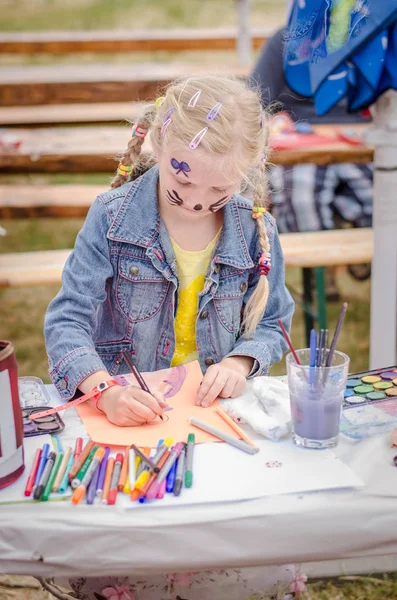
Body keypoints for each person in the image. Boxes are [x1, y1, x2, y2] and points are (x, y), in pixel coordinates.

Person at [44, 74, 298, 600]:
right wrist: (102, 389)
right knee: (133, 549)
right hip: (128, 418)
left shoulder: (254, 228)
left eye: (219, 189)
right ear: (158, 142)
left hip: (215, 422)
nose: (198, 202)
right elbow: (67, 320)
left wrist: (239, 364)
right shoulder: (111, 219)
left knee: (226, 540)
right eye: (183, 179)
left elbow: (273, 322)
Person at [251, 27, 373, 288]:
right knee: (301, 192)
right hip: (302, 138)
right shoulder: (287, 40)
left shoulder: (371, 34)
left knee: (382, 191)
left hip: (361, 139)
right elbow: (258, 98)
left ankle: (371, 247)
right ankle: (320, 274)